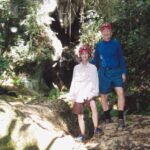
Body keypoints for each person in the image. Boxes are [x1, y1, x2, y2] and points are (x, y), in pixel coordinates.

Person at [91, 23, 127, 130]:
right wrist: (86, 64)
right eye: (104, 31)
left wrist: (123, 72)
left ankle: (120, 118)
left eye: (108, 31)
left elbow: (121, 58)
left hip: (116, 72)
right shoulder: (99, 45)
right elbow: (95, 60)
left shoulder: (116, 43)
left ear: (111, 32)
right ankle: (107, 117)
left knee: (120, 92)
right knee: (103, 96)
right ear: (101, 33)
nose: (106, 33)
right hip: (103, 73)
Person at [68, 44, 103, 142]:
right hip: (79, 93)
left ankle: (96, 128)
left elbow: (95, 82)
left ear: (89, 55)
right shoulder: (76, 68)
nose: (84, 55)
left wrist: (92, 94)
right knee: (80, 115)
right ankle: (82, 134)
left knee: (93, 107)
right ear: (80, 55)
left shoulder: (93, 68)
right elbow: (74, 81)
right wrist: (72, 95)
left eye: (86, 54)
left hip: (89, 93)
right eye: (82, 54)